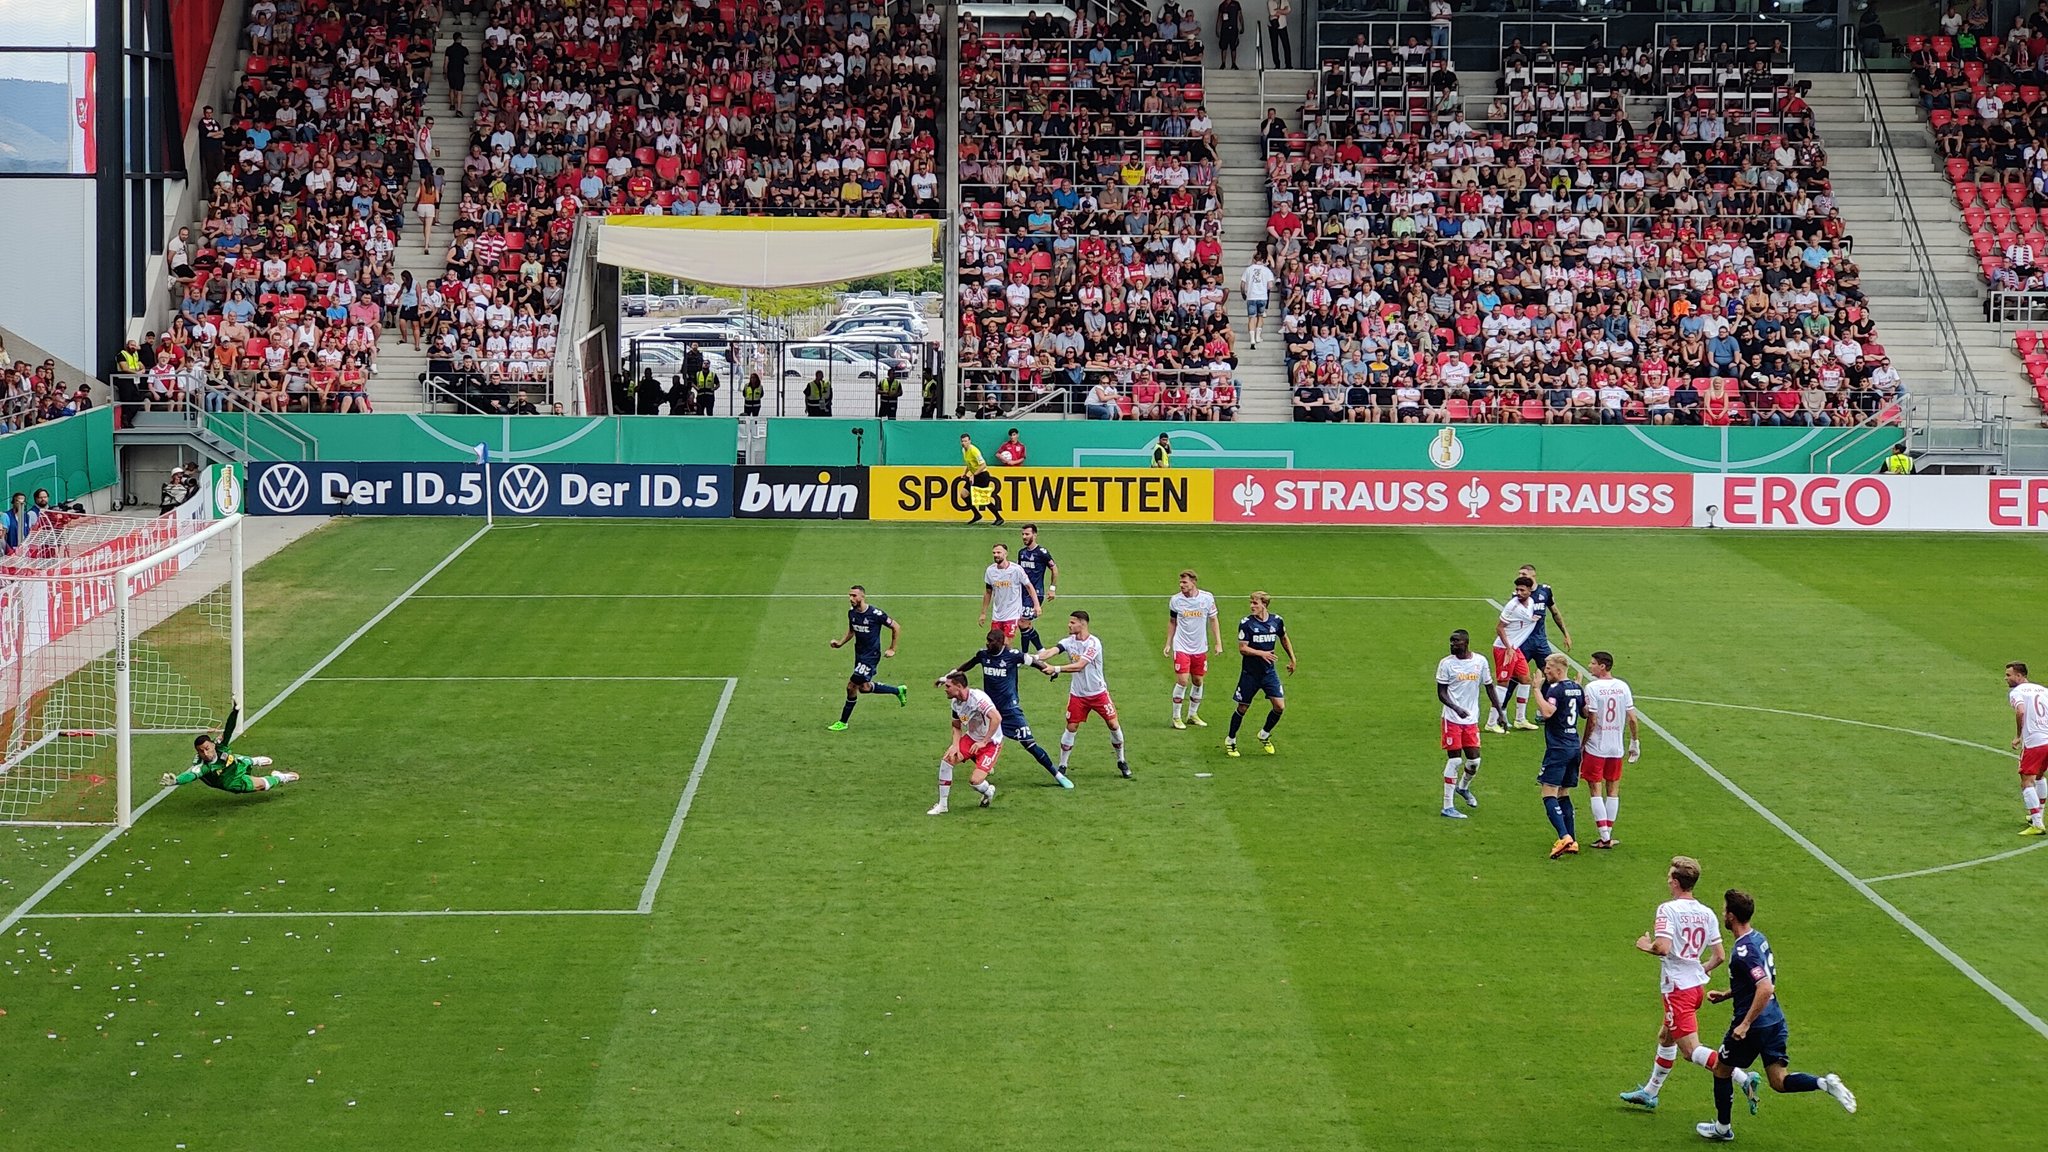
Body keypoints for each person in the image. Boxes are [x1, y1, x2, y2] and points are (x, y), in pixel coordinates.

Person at [1696, 890, 1858, 1141]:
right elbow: (1762, 981)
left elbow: (1765, 987)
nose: (1722, 913)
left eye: (1724, 909)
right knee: (1778, 1081)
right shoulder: (1758, 938)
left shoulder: (1743, 951)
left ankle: (1722, 1128)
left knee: (1721, 1070)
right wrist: (1728, 994)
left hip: (1754, 1025)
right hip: (1774, 1019)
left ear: (1731, 916)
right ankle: (1823, 1083)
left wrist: (1745, 1024)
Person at [1621, 856, 1732, 1112]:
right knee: (1665, 1037)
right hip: (1695, 989)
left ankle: (1742, 1077)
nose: (1668, 880)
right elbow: (1719, 956)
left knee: (1691, 1051)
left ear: (1676, 882)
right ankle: (1650, 1092)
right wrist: (1696, 970)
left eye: (1670, 877)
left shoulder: (1667, 910)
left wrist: (1645, 945)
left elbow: (1662, 948)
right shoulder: (1707, 913)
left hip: (1677, 990)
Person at [946, 628, 1070, 788]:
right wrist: (949, 676)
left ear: (1001, 642)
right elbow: (968, 665)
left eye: (991, 642)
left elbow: (1032, 661)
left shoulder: (1013, 656)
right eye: (987, 641)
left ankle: (1057, 774)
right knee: (974, 738)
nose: (988, 644)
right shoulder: (983, 655)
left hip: (1010, 711)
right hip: (987, 712)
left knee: (1029, 744)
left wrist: (1047, 670)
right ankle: (983, 763)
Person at [1039, 610, 1130, 779]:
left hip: (1098, 693)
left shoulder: (1093, 644)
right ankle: (1063, 765)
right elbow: (1050, 652)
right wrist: (1027, 657)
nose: (1069, 625)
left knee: (1113, 725)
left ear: (1083, 623)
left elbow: (1080, 665)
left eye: (1073, 623)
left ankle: (1121, 760)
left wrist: (1056, 669)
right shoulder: (1069, 642)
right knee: (1071, 727)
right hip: (1078, 695)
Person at [160, 702, 299, 795]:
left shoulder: (220, 745)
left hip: (232, 766)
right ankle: (279, 777)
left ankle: (252, 761)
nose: (205, 753)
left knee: (233, 758)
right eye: (201, 751)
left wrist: (235, 711)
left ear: (213, 745)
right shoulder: (203, 766)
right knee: (263, 785)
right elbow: (191, 775)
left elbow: (229, 729)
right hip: (230, 781)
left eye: (207, 748)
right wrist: (177, 780)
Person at [1435, 629, 1503, 819]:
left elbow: (1489, 687)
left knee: (1474, 761)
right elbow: (1441, 693)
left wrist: (1500, 712)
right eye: (1451, 642)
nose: (1452, 645)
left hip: (1471, 719)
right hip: (1452, 719)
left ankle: (1463, 787)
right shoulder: (1446, 664)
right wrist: (1456, 708)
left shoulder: (1479, 662)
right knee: (1455, 760)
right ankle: (1447, 806)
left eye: (1456, 642)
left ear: (1466, 643)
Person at [1580, 650, 1641, 848]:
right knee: (1613, 789)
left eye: (1592, 663)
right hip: (1616, 747)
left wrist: (1583, 743)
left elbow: (1593, 719)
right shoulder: (1623, 686)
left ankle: (1604, 836)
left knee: (1595, 789)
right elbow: (1632, 718)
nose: (1590, 666)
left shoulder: (1592, 687)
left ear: (1602, 666)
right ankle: (1609, 834)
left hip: (1596, 746)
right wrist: (1634, 742)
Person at [828, 585, 907, 730]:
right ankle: (898, 690)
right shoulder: (851, 613)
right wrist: (839, 644)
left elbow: (896, 626)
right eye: (850, 596)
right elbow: (852, 631)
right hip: (859, 655)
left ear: (862, 597)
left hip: (871, 656)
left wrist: (892, 649)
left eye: (854, 596)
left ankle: (843, 722)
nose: (851, 599)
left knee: (851, 686)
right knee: (863, 688)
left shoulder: (876, 614)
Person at [1226, 591, 1295, 757]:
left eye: (1255, 603)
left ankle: (1264, 734)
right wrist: (1261, 654)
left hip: (1269, 672)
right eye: (1251, 603)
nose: (1252, 606)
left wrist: (1293, 659)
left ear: (1264, 604)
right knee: (1243, 707)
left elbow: (1284, 638)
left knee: (1279, 706)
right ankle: (1231, 740)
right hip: (1250, 673)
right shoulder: (1246, 623)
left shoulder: (1277, 621)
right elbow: (1242, 648)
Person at [930, 673, 1004, 815]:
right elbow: (956, 726)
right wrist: (955, 745)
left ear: (958, 687)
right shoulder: (955, 703)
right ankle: (942, 805)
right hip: (971, 738)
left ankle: (988, 791)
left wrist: (984, 742)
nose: (945, 689)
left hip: (991, 743)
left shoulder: (978, 699)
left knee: (975, 781)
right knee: (947, 760)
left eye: (948, 686)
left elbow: (996, 718)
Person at [1534, 654, 1585, 859]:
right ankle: (1571, 839)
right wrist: (1576, 689)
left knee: (1548, 793)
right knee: (1564, 793)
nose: (1545, 671)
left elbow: (1547, 712)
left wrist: (1536, 689)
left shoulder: (1555, 689)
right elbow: (1585, 713)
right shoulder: (1576, 688)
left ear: (1558, 670)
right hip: (1574, 746)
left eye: (1548, 668)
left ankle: (1563, 836)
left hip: (1558, 748)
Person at [1165, 569, 1221, 729]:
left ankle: (1192, 715)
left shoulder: (1207, 598)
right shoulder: (1176, 600)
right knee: (1183, 681)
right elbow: (1172, 621)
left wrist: (1218, 642)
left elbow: (1213, 619)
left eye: (1185, 582)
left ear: (1193, 582)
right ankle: (1176, 717)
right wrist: (1168, 643)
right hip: (1181, 646)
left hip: (1199, 647)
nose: (1181, 585)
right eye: (1180, 582)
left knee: (1198, 680)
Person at [1490, 576, 1541, 732]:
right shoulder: (1512, 606)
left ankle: (1520, 719)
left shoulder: (1531, 603)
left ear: (1530, 591)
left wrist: (1531, 619)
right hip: (1504, 649)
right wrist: (1508, 647)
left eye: (1522, 590)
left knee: (1525, 679)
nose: (1518, 593)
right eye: (1517, 590)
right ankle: (1491, 723)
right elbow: (1499, 628)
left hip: (1515, 648)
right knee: (1503, 684)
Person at [2008, 661, 2048, 834]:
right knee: (2039, 776)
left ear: (2019, 676)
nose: (2006, 678)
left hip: (2035, 742)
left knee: (2026, 781)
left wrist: (2018, 735)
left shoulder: (2017, 692)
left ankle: (2037, 824)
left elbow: (2021, 711)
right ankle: (2038, 814)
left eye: (2009, 675)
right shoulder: (2043, 690)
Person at [979, 542, 1040, 642]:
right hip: (997, 614)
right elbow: (988, 592)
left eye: (998, 552)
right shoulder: (990, 571)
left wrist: (1036, 605)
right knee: (994, 643)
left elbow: (1029, 586)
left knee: (1006, 642)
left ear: (1005, 554)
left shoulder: (1016, 570)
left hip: (1012, 613)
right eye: (994, 553)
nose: (996, 555)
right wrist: (983, 613)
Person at [1515, 563, 1572, 664]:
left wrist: (1565, 633)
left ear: (1533, 575)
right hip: (1523, 641)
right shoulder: (1518, 595)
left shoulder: (1545, 591)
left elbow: (1555, 612)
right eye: (1519, 574)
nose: (1520, 577)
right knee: (1517, 676)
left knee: (1551, 670)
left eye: (1523, 574)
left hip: (1540, 641)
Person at [1016, 523, 1057, 653]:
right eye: (1023, 534)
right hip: (1022, 593)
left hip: (1036, 593)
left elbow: (1054, 569)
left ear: (1034, 535)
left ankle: (1024, 655)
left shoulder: (1042, 553)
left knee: (1023, 622)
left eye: (1027, 534)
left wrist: (1052, 588)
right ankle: (1040, 649)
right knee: (1026, 624)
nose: (1024, 537)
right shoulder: (1021, 553)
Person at [961, 433, 1004, 526]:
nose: (964, 443)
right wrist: (965, 473)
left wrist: (973, 474)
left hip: (982, 476)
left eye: (965, 441)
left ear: (969, 441)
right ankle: (976, 514)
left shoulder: (974, 451)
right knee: (964, 494)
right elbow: (969, 463)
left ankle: (999, 518)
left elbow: (983, 465)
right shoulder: (964, 451)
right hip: (975, 475)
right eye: (962, 441)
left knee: (982, 499)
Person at [1241, 252, 1275, 348]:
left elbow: (1243, 284)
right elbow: (1270, 285)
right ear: (1263, 260)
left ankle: (1252, 339)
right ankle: (1258, 336)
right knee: (1260, 316)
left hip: (1251, 296)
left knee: (1252, 317)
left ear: (1254, 260)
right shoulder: (1267, 271)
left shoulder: (1248, 269)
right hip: (1262, 296)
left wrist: (1243, 293)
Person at [1216, 0, 1244, 69]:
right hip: (1224, 29)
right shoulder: (1222, 5)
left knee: (1233, 47)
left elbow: (1240, 15)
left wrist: (1242, 26)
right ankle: (1223, 63)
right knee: (1223, 47)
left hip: (1234, 29)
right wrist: (1217, 29)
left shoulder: (1236, 4)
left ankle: (1234, 63)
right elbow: (1219, 18)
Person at [1266, 0, 1292, 70]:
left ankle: (1288, 65)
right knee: (1274, 45)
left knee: (1286, 45)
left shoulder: (1284, 1)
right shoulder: (1270, 2)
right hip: (1273, 25)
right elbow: (1272, 12)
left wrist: (1278, 11)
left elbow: (1288, 10)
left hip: (1283, 25)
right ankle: (1277, 64)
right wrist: (1283, 11)